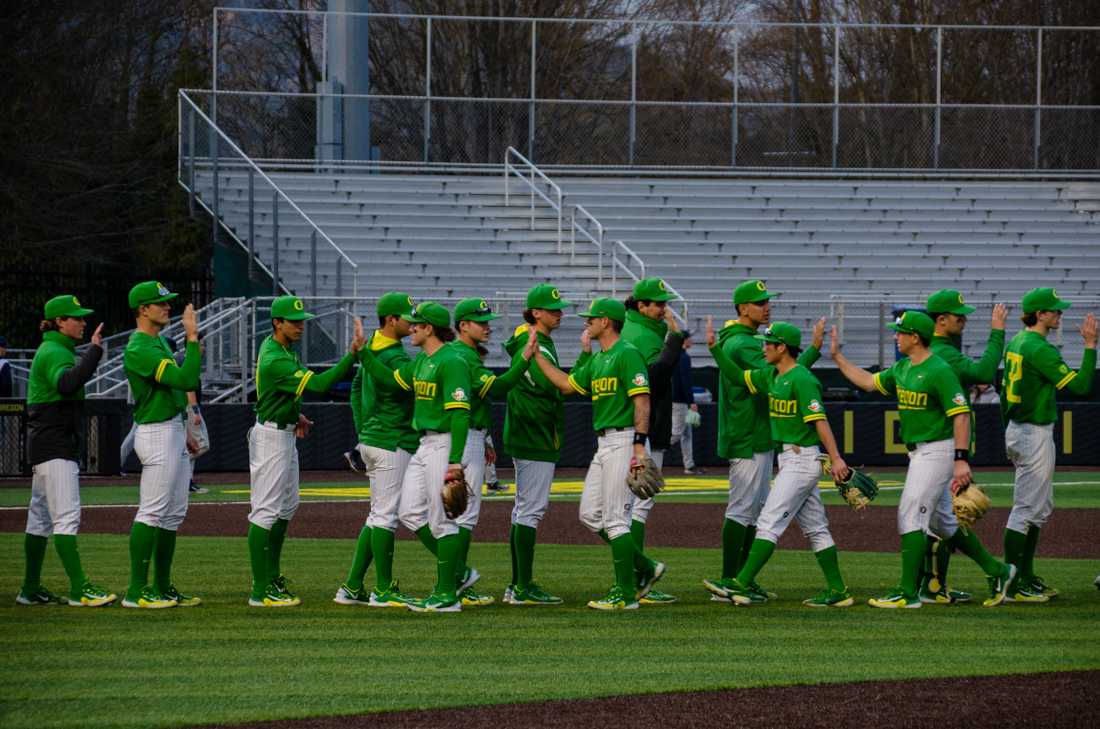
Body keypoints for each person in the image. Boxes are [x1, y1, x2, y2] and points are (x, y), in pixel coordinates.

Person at [831, 311, 1015, 609]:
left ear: (915, 337)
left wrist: (960, 459)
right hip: (919, 452)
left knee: (910, 515)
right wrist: (838, 358)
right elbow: (868, 382)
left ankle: (907, 593)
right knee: (944, 523)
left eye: (900, 332)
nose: (895, 336)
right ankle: (998, 571)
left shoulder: (939, 370)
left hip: (938, 449)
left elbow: (961, 415)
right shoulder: (903, 367)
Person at [704, 318, 853, 607]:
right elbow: (737, 376)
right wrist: (714, 349)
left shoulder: (803, 379)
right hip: (788, 460)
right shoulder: (770, 376)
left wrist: (836, 458)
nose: (764, 349)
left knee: (768, 522)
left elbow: (819, 421)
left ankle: (742, 583)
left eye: (769, 345)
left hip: (802, 459)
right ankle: (838, 591)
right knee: (816, 528)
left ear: (782, 348)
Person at [532, 297, 665, 611]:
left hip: (623, 440)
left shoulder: (626, 354)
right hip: (603, 444)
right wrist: (536, 356)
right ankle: (644, 566)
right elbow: (566, 385)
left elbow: (642, 401)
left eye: (591, 318)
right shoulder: (599, 358)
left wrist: (638, 446)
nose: (586, 322)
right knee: (590, 514)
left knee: (616, 519)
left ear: (606, 321)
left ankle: (626, 593)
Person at [357, 302, 480, 612]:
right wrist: (363, 354)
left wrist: (455, 461)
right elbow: (389, 379)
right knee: (410, 512)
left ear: (429, 328)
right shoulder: (423, 360)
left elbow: (461, 415)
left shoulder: (451, 361)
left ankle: (446, 593)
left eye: (416, 324)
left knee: (442, 520)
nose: (410, 328)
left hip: (444, 443)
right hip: (424, 445)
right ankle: (457, 573)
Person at [710, 279, 823, 603]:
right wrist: (813, 349)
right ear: (743, 308)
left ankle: (742, 578)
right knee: (742, 508)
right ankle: (730, 580)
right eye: (760, 302)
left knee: (752, 509)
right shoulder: (744, 344)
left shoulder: (745, 339)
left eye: (767, 301)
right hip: (749, 434)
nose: (767, 306)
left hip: (753, 433)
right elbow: (781, 376)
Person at [248, 295, 363, 608]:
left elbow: (279, 392)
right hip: (271, 435)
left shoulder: (284, 349)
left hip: (282, 430)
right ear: (277, 322)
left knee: (286, 507)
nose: (300, 326)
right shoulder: (276, 356)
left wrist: (292, 412)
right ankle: (260, 589)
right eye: (294, 321)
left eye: (302, 321)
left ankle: (271, 577)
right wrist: (351, 355)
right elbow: (322, 384)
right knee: (265, 511)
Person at [18, 295, 115, 607]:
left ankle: (30, 588)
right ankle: (79, 588)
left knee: (40, 520)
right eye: (76, 317)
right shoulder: (54, 351)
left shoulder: (54, 349)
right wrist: (95, 353)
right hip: (55, 446)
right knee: (66, 518)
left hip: (46, 444)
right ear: (60, 321)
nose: (83, 322)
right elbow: (66, 384)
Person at [1001, 288, 1096, 602]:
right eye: (1054, 310)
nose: (1059, 314)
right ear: (1039, 314)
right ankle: (1013, 582)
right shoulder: (1038, 348)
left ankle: (1025, 575)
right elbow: (1081, 386)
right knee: (1027, 509)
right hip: (1032, 430)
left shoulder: (1017, 340)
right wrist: (1090, 345)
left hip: (1020, 427)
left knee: (1038, 508)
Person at [440, 297, 537, 606]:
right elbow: (498, 387)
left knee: (457, 515)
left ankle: (456, 581)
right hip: (462, 437)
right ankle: (456, 580)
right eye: (481, 322)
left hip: (468, 435)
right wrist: (525, 358)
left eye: (487, 321)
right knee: (464, 516)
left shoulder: (461, 353)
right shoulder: (462, 356)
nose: (487, 327)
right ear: (463, 325)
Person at [917, 289, 1007, 603]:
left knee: (934, 518)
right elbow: (984, 373)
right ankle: (937, 586)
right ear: (940, 321)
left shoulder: (935, 352)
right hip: (941, 445)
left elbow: (981, 375)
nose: (965, 319)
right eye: (959, 316)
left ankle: (933, 587)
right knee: (939, 518)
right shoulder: (942, 352)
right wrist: (997, 334)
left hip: (937, 446)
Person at [335, 292, 419, 608]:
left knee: (377, 516)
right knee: (386, 517)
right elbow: (396, 386)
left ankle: (352, 586)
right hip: (391, 440)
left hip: (374, 438)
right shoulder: (394, 356)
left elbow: (356, 389)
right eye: (408, 317)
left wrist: (363, 429)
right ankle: (383, 589)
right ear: (391, 320)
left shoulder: (373, 343)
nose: (413, 323)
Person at [121, 281, 202, 609]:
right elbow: (185, 380)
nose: (167, 306)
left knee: (173, 514)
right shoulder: (140, 346)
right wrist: (193, 338)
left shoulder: (156, 342)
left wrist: (186, 427)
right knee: (152, 512)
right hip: (155, 433)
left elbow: (177, 390)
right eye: (160, 303)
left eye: (168, 302)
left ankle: (163, 586)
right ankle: (136, 590)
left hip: (172, 429)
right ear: (143, 309)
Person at [500, 284, 576, 605]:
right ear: (535, 312)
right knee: (530, 511)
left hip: (527, 431)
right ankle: (522, 587)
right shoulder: (534, 345)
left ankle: (517, 583)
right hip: (535, 433)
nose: (559, 313)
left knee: (523, 511)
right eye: (552, 309)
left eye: (559, 308)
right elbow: (553, 385)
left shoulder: (532, 340)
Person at [620, 277, 684, 604]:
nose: (663, 308)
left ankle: (635, 577)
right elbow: (654, 380)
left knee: (632, 507)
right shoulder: (641, 335)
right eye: (657, 304)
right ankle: (638, 578)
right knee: (638, 506)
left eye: (664, 303)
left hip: (638, 428)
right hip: (641, 430)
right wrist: (674, 343)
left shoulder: (640, 330)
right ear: (641, 305)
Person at [671, 330, 703, 475]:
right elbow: (685, 380)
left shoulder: (675, 356)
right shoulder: (682, 357)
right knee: (676, 434)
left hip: (678, 400)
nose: (691, 341)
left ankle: (689, 465)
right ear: (684, 340)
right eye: (689, 338)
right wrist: (691, 402)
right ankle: (650, 451)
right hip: (680, 401)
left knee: (686, 434)